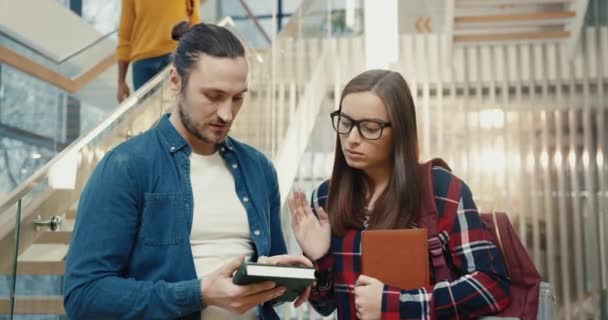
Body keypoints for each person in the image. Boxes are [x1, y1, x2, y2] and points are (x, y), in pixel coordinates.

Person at [64, 22, 311, 320]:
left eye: (238, 97)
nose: (227, 113)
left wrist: (288, 281)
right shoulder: (126, 167)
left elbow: (267, 287)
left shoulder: (258, 168)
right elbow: (84, 294)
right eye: (213, 96)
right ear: (174, 81)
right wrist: (199, 293)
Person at [289, 69, 511, 319]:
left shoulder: (440, 191)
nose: (351, 139)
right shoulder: (326, 197)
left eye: (370, 128)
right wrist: (320, 258)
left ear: (400, 131)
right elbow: (324, 305)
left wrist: (394, 304)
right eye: (345, 122)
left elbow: (492, 287)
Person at [116, 0, 201, 102]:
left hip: (176, 54)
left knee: (179, 108)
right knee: (147, 115)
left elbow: (194, 20)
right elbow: (125, 33)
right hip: (142, 64)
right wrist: (121, 81)